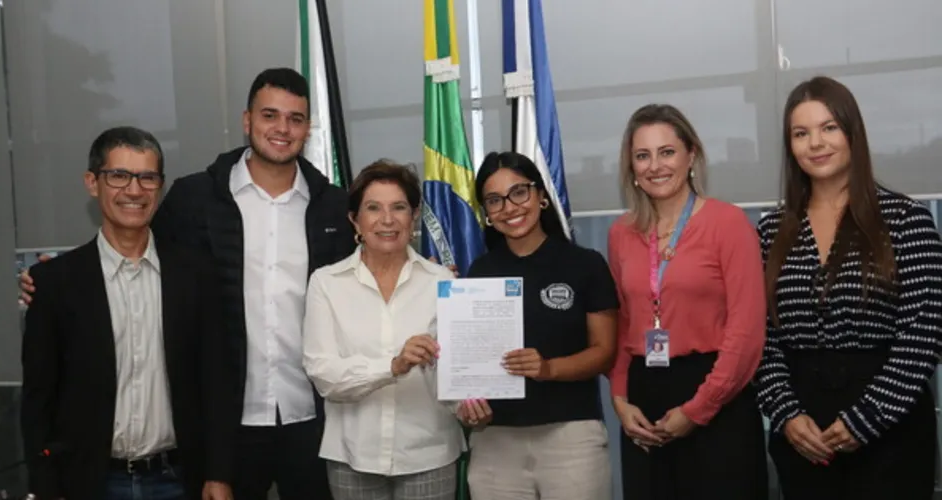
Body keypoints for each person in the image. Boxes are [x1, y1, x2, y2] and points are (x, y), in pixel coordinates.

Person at [20, 68, 354, 500]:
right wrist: (57, 277)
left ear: (308, 128)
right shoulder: (194, 198)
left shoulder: (334, 208)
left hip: (311, 419)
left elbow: (364, 281)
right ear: (247, 120)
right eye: (270, 115)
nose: (282, 128)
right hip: (225, 426)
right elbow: (131, 242)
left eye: (295, 118)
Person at [20, 126, 237, 500]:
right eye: (119, 176)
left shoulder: (196, 274)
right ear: (93, 183)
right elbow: (38, 399)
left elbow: (215, 381)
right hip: (91, 483)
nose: (134, 190)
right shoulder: (55, 283)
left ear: (160, 187)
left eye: (147, 178)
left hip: (178, 479)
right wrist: (45, 486)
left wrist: (219, 474)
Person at [756, 76, 942, 499]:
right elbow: (760, 337)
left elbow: (923, 333)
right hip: (802, 433)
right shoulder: (770, 231)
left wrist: (866, 419)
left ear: (852, 133)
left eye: (829, 128)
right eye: (801, 133)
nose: (815, 143)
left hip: (891, 429)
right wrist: (785, 414)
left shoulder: (906, 220)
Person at [607, 104, 768, 499]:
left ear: (691, 155)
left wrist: (698, 409)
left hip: (717, 397)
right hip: (645, 401)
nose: (655, 166)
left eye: (667, 152)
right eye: (642, 155)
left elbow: (746, 333)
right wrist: (620, 400)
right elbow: (624, 322)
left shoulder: (728, 223)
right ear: (631, 166)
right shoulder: (621, 233)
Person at [456, 151, 617, 500]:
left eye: (519, 192)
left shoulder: (585, 264)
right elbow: (473, 359)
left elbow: (605, 352)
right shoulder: (479, 272)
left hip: (571, 436)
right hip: (496, 440)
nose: (509, 207)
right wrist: (469, 402)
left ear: (541, 195)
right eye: (494, 200)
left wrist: (548, 368)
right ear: (486, 213)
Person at [302, 161, 466, 500]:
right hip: (352, 454)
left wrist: (472, 403)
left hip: (429, 453)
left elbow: (454, 373)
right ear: (354, 220)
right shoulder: (326, 283)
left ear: (414, 216)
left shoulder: (443, 282)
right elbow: (324, 375)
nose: (387, 220)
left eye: (399, 207)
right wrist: (393, 366)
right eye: (373, 208)